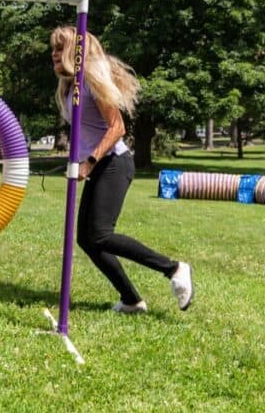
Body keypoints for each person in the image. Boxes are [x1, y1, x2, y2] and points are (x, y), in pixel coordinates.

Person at [49, 26, 194, 313]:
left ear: (74, 52)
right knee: (87, 240)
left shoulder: (90, 80)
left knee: (100, 235)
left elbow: (118, 127)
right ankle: (131, 300)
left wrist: (89, 162)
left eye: (59, 48)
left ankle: (175, 268)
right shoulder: (68, 86)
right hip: (99, 165)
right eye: (52, 48)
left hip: (114, 162)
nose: (53, 53)